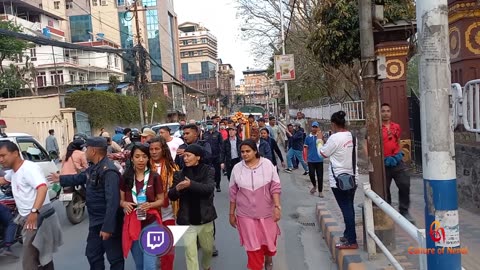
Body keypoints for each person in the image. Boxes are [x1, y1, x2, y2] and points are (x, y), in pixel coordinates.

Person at [49, 137, 124, 269]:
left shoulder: (109, 171)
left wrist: (108, 227)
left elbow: (113, 202)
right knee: (92, 254)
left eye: (87, 149)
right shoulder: (94, 167)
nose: (85, 152)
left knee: (115, 258)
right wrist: (60, 178)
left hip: (107, 222)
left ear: (93, 151)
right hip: (95, 222)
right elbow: (80, 177)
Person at [0, 141, 63, 269]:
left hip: (38, 217)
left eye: (3, 155)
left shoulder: (29, 168)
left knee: (30, 262)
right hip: (28, 217)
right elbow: (3, 180)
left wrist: (34, 212)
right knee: (42, 257)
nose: (1, 160)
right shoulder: (14, 172)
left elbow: (42, 188)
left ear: (15, 153)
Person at [229, 140, 281, 270]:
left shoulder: (267, 164)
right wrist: (231, 213)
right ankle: (256, 266)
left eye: (248, 151)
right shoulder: (237, 168)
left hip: (267, 212)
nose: (245, 154)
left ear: (255, 151)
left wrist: (277, 207)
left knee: (268, 240)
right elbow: (233, 193)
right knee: (252, 244)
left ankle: (268, 258)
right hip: (245, 214)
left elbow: (275, 187)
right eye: (242, 152)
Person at [168, 144, 217, 270]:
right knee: (190, 254)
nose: (185, 159)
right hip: (186, 220)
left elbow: (208, 189)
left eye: (188, 156)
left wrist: (191, 184)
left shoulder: (208, 170)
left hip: (205, 218)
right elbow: (172, 196)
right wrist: (177, 189)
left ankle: (206, 266)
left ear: (198, 157)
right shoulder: (179, 174)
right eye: (184, 156)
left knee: (207, 250)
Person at [317, 111, 358, 249]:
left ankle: (351, 240)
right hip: (353, 178)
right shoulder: (352, 136)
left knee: (346, 209)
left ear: (333, 124)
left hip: (339, 180)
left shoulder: (334, 138)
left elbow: (322, 153)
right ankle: (348, 234)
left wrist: (319, 140)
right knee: (349, 207)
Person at [120, 144, 163, 270]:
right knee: (139, 265)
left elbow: (161, 200)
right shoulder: (125, 177)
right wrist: (124, 204)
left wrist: (150, 204)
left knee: (150, 265)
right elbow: (121, 200)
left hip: (151, 222)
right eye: (137, 156)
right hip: (132, 224)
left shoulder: (155, 176)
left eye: (144, 156)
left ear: (148, 159)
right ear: (132, 158)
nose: (141, 160)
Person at [368, 103, 413, 223]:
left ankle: (404, 210)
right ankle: (387, 210)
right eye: (383, 111)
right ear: (379, 113)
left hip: (396, 160)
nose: (386, 113)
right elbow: (367, 143)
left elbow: (397, 141)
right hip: (383, 162)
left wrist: (399, 154)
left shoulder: (396, 126)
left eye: (388, 111)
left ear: (391, 113)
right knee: (384, 188)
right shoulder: (375, 128)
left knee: (404, 183)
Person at [148, 136, 178, 270]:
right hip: (151, 214)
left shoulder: (172, 168)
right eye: (151, 149)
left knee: (169, 248)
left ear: (163, 150)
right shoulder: (144, 167)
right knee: (153, 247)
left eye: (157, 149)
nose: (154, 152)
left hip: (169, 213)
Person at [304, 122, 325, 197]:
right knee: (311, 174)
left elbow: (324, 145)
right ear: (311, 127)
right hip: (310, 160)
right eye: (313, 127)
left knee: (320, 176)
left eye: (316, 127)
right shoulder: (307, 137)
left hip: (319, 159)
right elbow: (305, 148)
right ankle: (314, 185)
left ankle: (320, 191)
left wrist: (321, 137)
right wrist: (305, 158)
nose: (314, 128)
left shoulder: (320, 136)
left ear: (318, 128)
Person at [202, 123, 224, 192]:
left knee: (217, 171)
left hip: (216, 155)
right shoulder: (204, 134)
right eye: (208, 125)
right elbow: (202, 144)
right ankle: (210, 185)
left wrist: (221, 155)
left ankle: (218, 185)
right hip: (208, 156)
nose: (209, 126)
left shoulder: (218, 134)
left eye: (210, 125)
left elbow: (221, 144)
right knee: (208, 171)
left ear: (213, 126)